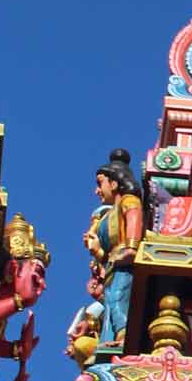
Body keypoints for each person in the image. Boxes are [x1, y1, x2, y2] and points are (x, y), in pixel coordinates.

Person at [84, 150, 143, 355]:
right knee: (110, 303)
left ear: (114, 183)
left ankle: (125, 338)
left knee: (118, 298)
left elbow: (134, 219)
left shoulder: (129, 201)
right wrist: (99, 252)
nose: (97, 191)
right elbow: (107, 252)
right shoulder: (108, 215)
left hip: (125, 262)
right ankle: (116, 338)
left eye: (100, 183)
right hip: (113, 264)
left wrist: (131, 248)